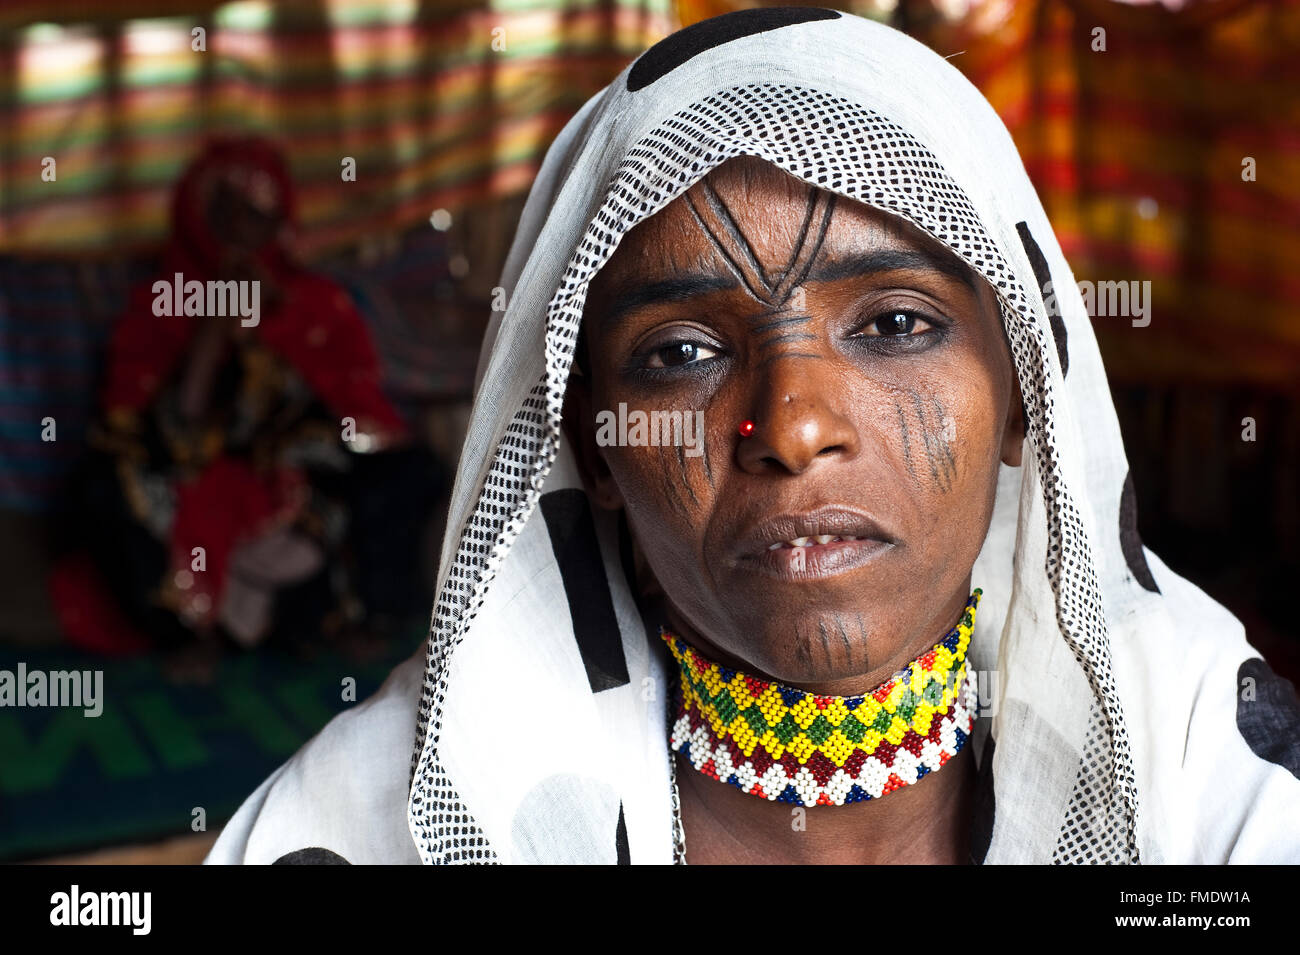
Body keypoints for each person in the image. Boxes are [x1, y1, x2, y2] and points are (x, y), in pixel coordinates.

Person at [206, 8, 1300, 864]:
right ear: (591, 444)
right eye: (680, 352)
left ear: (1023, 394)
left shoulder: (1195, 756)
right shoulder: (398, 810)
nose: (792, 425)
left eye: (895, 324)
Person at [57, 136, 413, 658]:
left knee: (403, 470)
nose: (237, 231)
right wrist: (215, 325)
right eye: (222, 213)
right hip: (186, 483)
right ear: (195, 218)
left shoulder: (315, 303)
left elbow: (356, 412)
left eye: (255, 216)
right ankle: (183, 632)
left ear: (278, 224)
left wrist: (276, 322)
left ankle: (336, 619)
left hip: (294, 491)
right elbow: (142, 422)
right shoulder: (163, 300)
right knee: (100, 483)